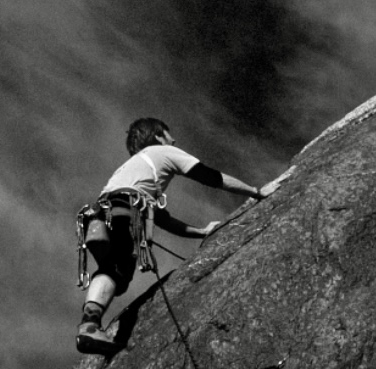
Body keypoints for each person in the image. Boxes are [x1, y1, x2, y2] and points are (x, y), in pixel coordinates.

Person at [76, 117, 267, 355]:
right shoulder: (164, 152)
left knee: (114, 270)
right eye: (168, 133)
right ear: (158, 136)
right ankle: (89, 327)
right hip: (127, 211)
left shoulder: (131, 170)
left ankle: (90, 323)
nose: (173, 139)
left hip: (103, 213)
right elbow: (209, 176)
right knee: (116, 267)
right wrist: (256, 192)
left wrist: (201, 232)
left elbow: (164, 221)